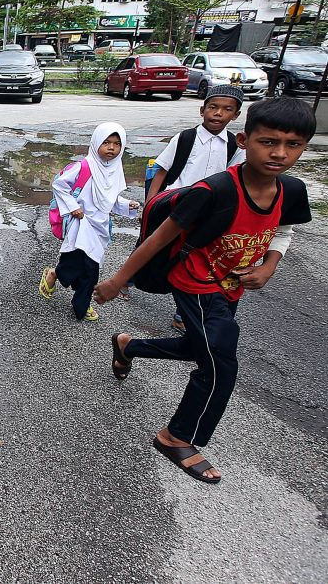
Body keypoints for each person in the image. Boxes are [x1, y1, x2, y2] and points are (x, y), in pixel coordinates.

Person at [94, 97, 315, 484]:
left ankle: (129, 345)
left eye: (292, 145)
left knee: (199, 347)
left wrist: (269, 265)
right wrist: (118, 280)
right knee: (219, 365)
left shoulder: (292, 191)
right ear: (244, 141)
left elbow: (284, 230)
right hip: (195, 283)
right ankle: (175, 436)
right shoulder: (213, 191)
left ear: (304, 148)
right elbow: (157, 240)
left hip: (233, 287)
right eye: (268, 142)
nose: (279, 153)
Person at [143, 84, 249, 331]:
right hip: (175, 205)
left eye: (226, 109)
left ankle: (182, 313)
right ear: (202, 110)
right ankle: (130, 280)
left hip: (209, 212)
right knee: (154, 245)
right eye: (213, 107)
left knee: (194, 258)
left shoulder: (234, 146)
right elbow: (162, 170)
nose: (218, 113)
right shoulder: (186, 138)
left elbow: (236, 180)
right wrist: (150, 204)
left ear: (236, 115)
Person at [39, 122, 140, 321]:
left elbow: (107, 200)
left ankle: (78, 300)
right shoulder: (83, 167)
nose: (111, 148)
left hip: (99, 228)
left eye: (117, 144)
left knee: (90, 269)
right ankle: (60, 280)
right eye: (106, 142)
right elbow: (59, 186)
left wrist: (127, 205)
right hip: (80, 224)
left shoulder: (114, 171)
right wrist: (72, 206)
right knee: (76, 264)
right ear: (95, 143)